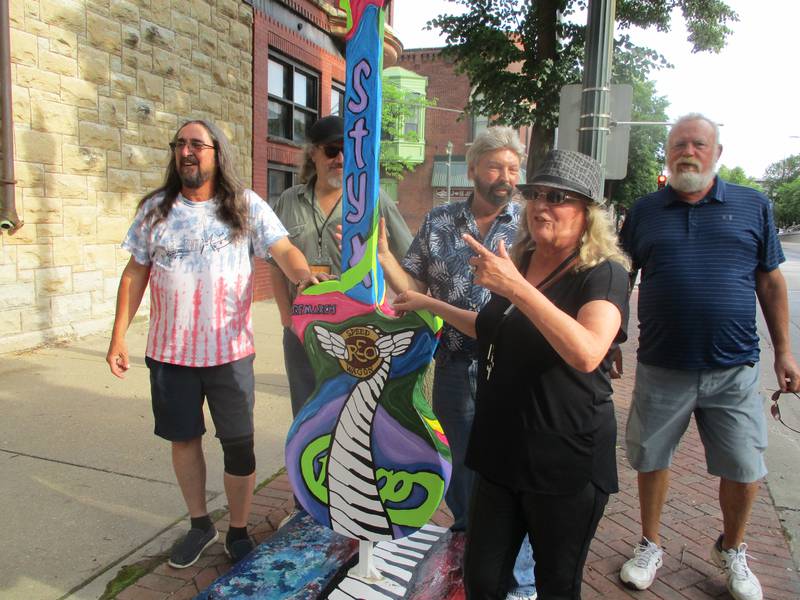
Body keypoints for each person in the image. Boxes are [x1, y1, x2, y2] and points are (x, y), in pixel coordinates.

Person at [393, 149, 630, 599]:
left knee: (556, 584)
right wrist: (431, 305)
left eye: (558, 196)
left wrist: (516, 289)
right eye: (536, 193)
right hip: (500, 450)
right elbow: (489, 328)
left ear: (588, 212)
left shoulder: (603, 275)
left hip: (563, 457)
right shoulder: (520, 262)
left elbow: (587, 352)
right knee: (483, 578)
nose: (541, 204)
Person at [106, 120, 318, 568]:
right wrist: (118, 336)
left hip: (230, 354)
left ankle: (237, 530)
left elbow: (282, 249)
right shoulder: (156, 209)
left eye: (196, 144)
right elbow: (135, 272)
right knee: (184, 441)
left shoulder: (244, 205)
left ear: (217, 153)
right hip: (170, 354)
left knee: (239, 444)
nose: (187, 151)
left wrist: (305, 276)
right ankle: (200, 524)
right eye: (180, 144)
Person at [618, 113, 800, 600]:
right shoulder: (645, 211)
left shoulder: (753, 205)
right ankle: (649, 543)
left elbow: (770, 281)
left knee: (744, 467)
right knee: (651, 459)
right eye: (678, 144)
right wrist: (614, 337)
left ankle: (732, 548)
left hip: (734, 369)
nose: (687, 152)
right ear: (668, 152)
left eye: (698, 145)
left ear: (717, 153)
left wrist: (784, 351)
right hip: (661, 365)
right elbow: (622, 279)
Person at [379, 126, 537, 600]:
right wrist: (385, 255)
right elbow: (417, 288)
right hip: (454, 364)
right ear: (473, 171)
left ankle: (521, 581)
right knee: (462, 464)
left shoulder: (529, 224)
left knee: (511, 471)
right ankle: (469, 537)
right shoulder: (441, 220)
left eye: (512, 168)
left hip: (511, 370)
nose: (505, 177)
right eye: (495, 167)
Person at [268, 115, 412, 420]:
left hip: (356, 330)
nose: (342, 158)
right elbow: (275, 264)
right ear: (313, 153)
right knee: (307, 412)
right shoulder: (289, 200)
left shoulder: (374, 201)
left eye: (349, 150)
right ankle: (307, 468)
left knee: (353, 413)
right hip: (302, 327)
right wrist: (285, 316)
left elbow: (407, 258)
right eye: (332, 150)